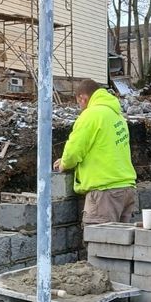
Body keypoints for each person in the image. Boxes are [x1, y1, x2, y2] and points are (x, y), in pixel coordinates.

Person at [54, 78, 137, 225]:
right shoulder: (117, 116)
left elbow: (74, 149)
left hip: (105, 193)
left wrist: (64, 164)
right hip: (126, 188)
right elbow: (104, 147)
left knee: (99, 242)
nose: (80, 107)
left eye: (78, 102)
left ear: (83, 98)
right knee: (121, 245)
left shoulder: (91, 115)